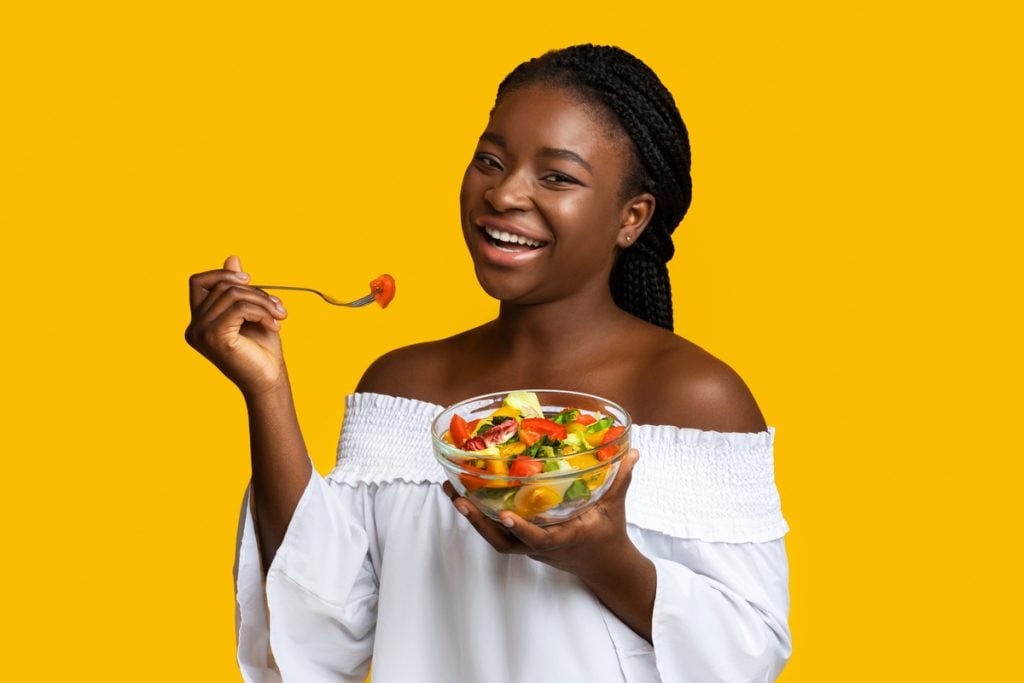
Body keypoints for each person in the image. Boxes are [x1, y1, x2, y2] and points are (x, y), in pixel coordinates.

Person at [186, 44, 791, 682]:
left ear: (631, 218)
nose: (504, 193)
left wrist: (603, 557)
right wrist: (268, 390)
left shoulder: (696, 396)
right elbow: (322, 630)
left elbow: (749, 654)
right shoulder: (402, 388)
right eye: (490, 160)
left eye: (557, 176)